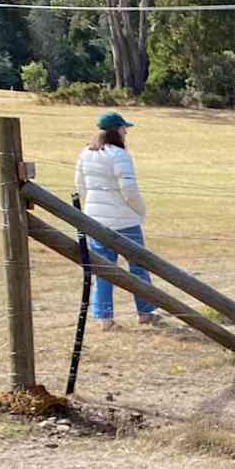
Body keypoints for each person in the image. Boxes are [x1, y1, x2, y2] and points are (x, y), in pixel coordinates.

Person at [74, 111, 156, 329]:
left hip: (96, 222)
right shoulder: (120, 155)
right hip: (125, 221)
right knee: (138, 266)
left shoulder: (86, 153)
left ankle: (105, 318)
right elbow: (129, 190)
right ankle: (145, 312)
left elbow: (80, 186)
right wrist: (140, 211)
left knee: (103, 269)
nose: (126, 131)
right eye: (123, 128)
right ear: (116, 131)